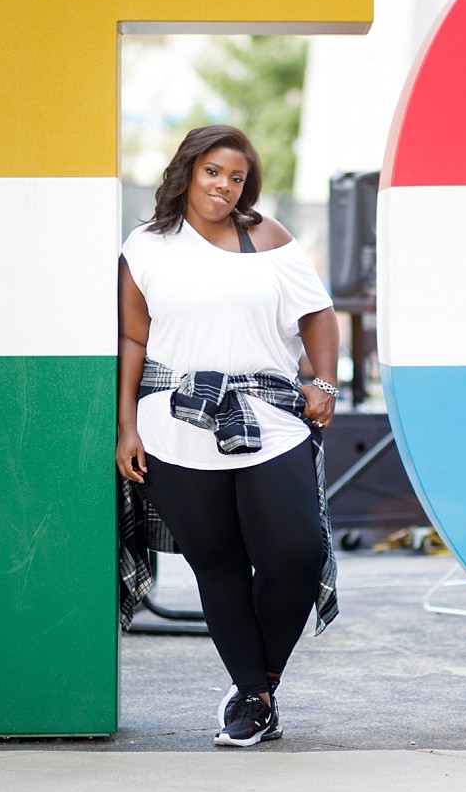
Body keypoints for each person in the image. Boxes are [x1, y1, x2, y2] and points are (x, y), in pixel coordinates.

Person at [116, 124, 341, 748]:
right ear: (188, 171)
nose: (223, 185)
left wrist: (325, 382)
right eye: (213, 171)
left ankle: (261, 679)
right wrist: (127, 427)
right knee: (215, 563)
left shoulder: (268, 237)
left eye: (236, 176)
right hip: (175, 421)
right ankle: (254, 698)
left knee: (295, 555)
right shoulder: (147, 246)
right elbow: (133, 339)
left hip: (269, 416)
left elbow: (317, 314)